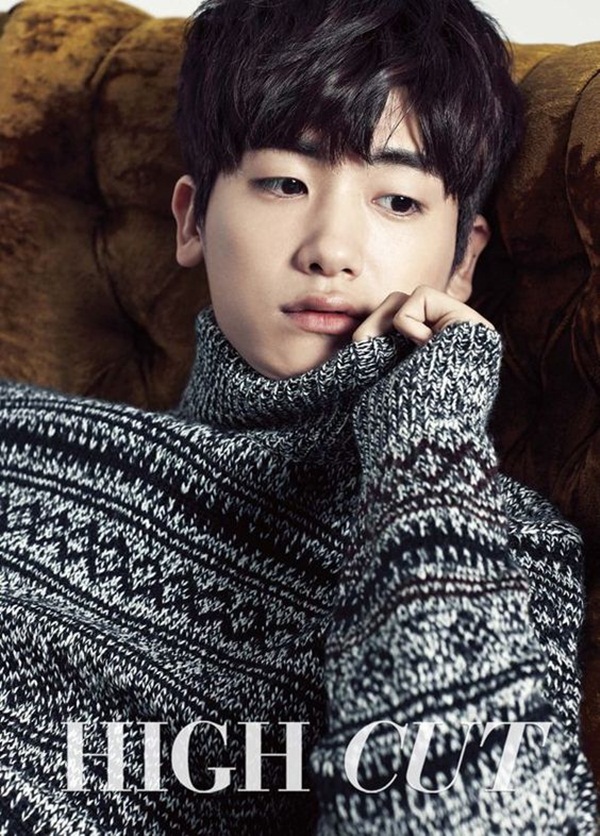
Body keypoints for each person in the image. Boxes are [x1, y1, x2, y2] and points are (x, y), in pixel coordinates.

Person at [0, 0, 597, 833]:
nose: (331, 249)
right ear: (192, 219)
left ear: (463, 261)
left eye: (398, 200)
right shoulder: (23, 443)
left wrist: (425, 434)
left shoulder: (503, 549)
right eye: (285, 182)